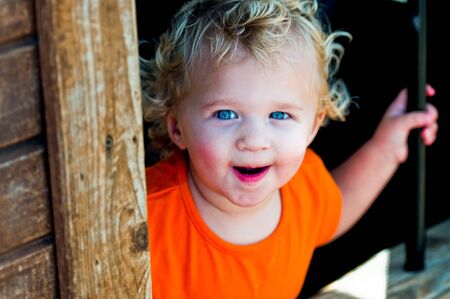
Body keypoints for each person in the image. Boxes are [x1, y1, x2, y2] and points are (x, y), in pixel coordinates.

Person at [140, 0, 439, 297]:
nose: (255, 140)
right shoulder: (144, 216)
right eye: (225, 114)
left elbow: (338, 206)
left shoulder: (302, 188)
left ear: (312, 127)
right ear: (177, 127)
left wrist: (387, 147)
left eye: (279, 115)